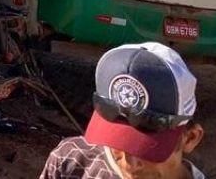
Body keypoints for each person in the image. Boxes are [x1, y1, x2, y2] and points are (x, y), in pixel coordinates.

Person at [40, 42, 205, 179]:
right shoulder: (72, 161)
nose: (129, 164)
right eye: (118, 140)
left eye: (148, 149)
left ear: (190, 138)